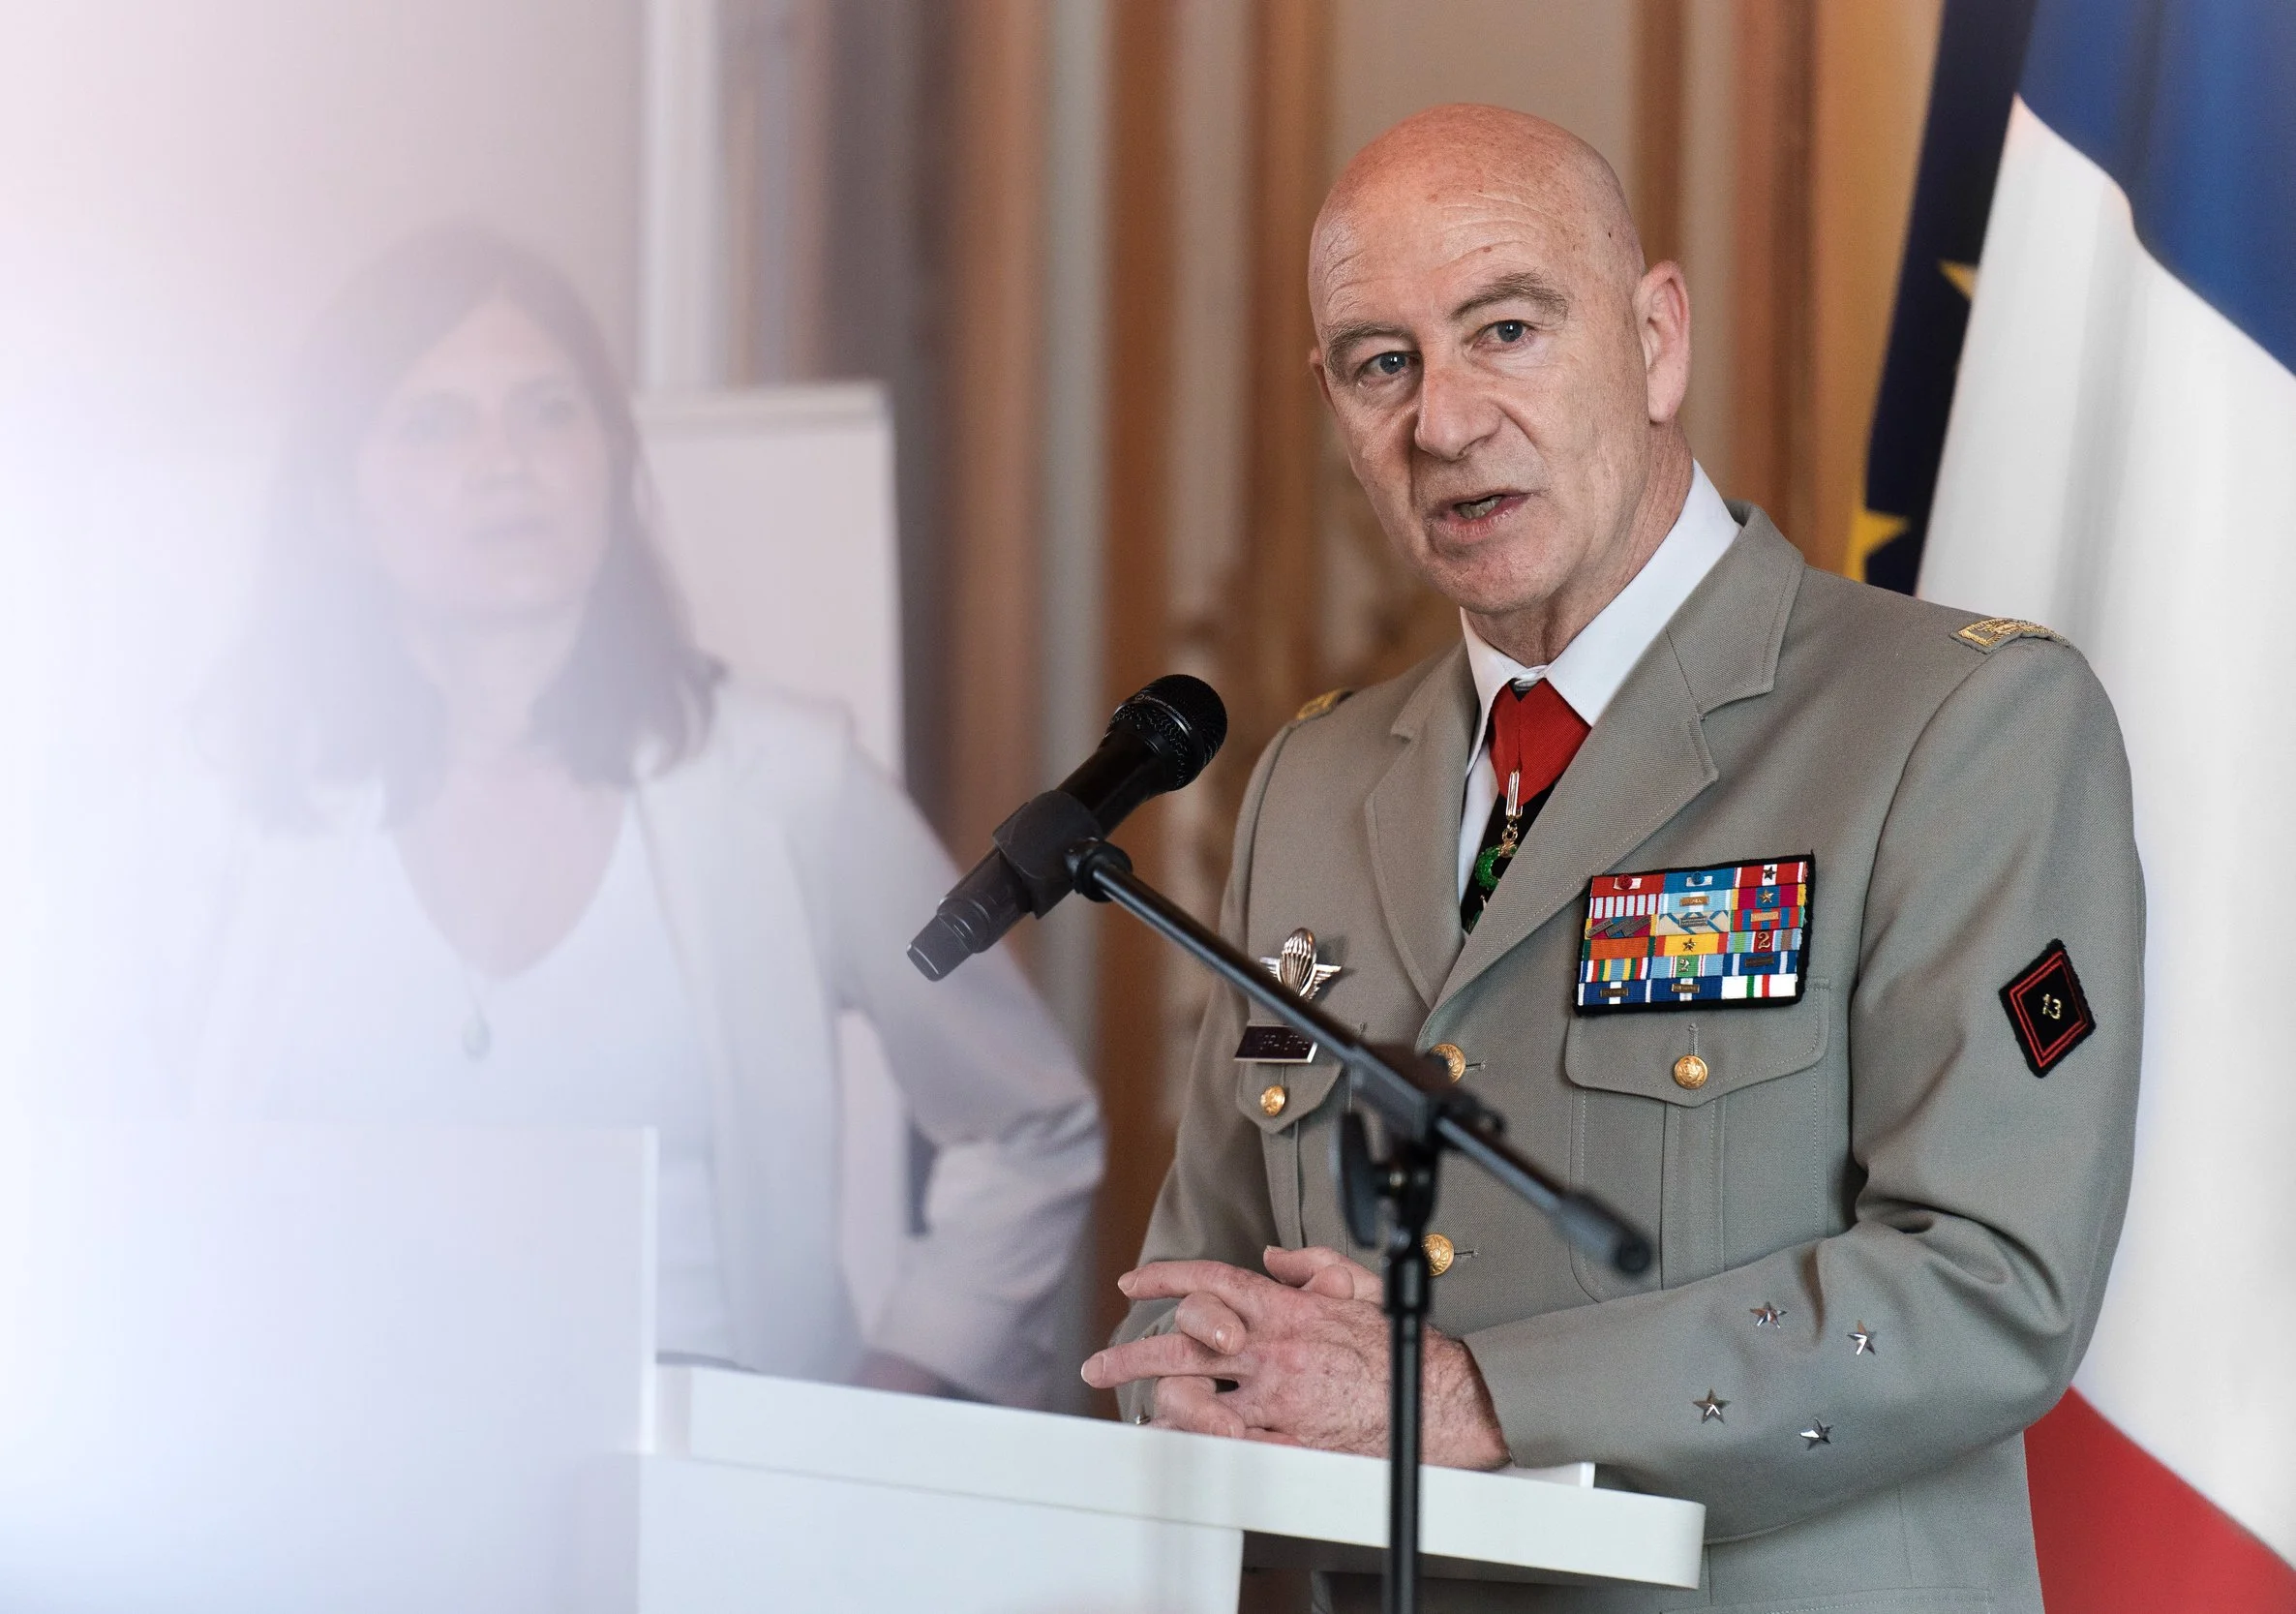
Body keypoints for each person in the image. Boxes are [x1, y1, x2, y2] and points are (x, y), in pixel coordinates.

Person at [1083, 105, 2139, 1611]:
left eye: (1505, 328)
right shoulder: (1309, 783)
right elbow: (1194, 1314)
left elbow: (1993, 1286)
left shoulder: (1958, 721)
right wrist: (1195, 1394)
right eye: (1382, 363)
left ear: (1656, 339)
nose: (1442, 421)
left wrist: (1484, 1396)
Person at [180, 224, 1102, 1407]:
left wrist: (887, 1389)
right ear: (337, 501)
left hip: (692, 1517)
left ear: (616, 457)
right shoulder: (227, 809)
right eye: (434, 420)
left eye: (548, 409)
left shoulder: (783, 781)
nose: (502, 459)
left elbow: (1027, 1125)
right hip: (308, 1499)